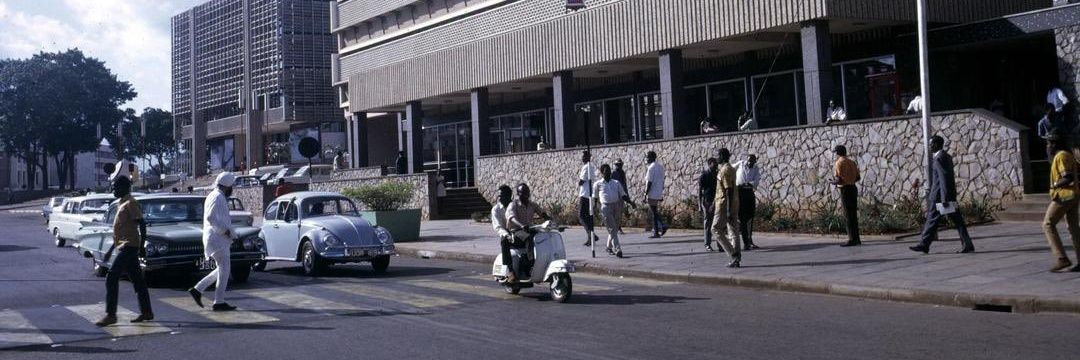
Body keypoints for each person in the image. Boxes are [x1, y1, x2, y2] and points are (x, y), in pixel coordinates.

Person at [94, 161, 153, 327]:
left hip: (130, 247)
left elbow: (141, 223)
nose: (113, 190)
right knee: (138, 281)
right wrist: (110, 250)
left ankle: (111, 315)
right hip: (124, 246)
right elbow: (121, 231)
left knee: (111, 277)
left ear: (125, 188)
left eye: (116, 188)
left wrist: (141, 247)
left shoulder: (130, 203)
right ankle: (147, 311)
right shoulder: (121, 203)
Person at [910, 135, 974, 254]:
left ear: (936, 144)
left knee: (933, 220)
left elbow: (943, 178)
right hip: (946, 195)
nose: (929, 146)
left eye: (931, 144)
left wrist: (944, 198)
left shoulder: (939, 158)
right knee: (954, 221)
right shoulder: (946, 156)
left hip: (940, 197)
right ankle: (966, 243)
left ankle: (924, 244)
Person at [189, 172, 238, 311]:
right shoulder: (218, 197)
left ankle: (198, 289)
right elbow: (211, 218)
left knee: (222, 269)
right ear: (227, 186)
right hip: (218, 239)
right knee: (224, 269)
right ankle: (219, 301)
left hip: (217, 239)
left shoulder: (215, 195)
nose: (232, 189)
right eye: (232, 186)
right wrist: (225, 231)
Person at [1041, 134, 1080, 272]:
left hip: (1064, 196)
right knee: (1074, 228)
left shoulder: (1061, 156)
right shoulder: (1067, 154)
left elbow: (1067, 177)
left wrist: (1056, 185)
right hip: (1073, 195)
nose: (1047, 146)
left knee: (1048, 223)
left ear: (1054, 144)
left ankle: (1061, 258)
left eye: (1048, 143)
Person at [506, 183, 552, 278]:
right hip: (517, 231)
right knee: (528, 238)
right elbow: (511, 217)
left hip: (529, 229)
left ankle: (545, 259)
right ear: (518, 194)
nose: (526, 195)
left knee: (544, 236)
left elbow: (541, 213)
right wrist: (521, 225)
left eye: (527, 192)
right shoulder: (513, 204)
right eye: (523, 193)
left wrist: (549, 219)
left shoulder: (532, 204)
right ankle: (531, 264)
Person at [593, 164, 637, 258]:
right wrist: (594, 208)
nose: (608, 173)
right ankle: (617, 249)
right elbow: (595, 198)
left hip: (616, 206)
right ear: (602, 173)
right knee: (612, 228)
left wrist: (630, 202)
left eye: (609, 171)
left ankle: (608, 247)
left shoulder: (616, 183)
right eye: (606, 171)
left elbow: (623, 195)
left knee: (615, 229)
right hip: (605, 208)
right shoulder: (598, 184)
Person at [712, 148, 742, 267]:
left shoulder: (724, 170)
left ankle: (732, 254)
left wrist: (728, 210)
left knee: (715, 229)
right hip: (734, 203)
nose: (716, 158)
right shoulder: (731, 168)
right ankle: (737, 258)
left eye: (718, 156)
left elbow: (728, 190)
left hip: (724, 205)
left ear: (722, 156)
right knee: (733, 230)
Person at [830, 145, 861, 247]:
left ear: (838, 153)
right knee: (853, 215)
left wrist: (832, 182)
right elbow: (858, 177)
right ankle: (857, 238)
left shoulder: (839, 162)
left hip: (845, 189)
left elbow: (839, 180)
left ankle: (851, 239)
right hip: (853, 188)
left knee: (847, 215)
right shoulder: (852, 162)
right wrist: (850, 179)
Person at [492, 185, 519, 282]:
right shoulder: (496, 209)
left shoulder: (515, 206)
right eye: (499, 196)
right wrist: (506, 234)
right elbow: (498, 227)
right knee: (504, 241)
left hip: (517, 232)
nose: (499, 198)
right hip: (506, 233)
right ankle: (510, 271)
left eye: (502, 196)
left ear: (509, 196)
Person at [735, 154, 761, 250]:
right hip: (739, 192)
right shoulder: (741, 164)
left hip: (749, 192)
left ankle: (749, 240)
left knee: (750, 216)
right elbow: (732, 170)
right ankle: (746, 242)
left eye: (752, 162)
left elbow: (757, 180)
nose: (750, 163)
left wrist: (749, 184)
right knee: (742, 218)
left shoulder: (755, 168)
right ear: (747, 160)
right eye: (749, 161)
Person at [577, 151, 599, 246]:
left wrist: (579, 183)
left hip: (585, 194)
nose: (582, 158)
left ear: (587, 157)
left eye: (583, 156)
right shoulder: (591, 167)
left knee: (581, 216)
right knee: (588, 217)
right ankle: (591, 237)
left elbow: (581, 181)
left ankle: (591, 235)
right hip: (589, 194)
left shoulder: (586, 167)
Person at [644, 151, 667, 238]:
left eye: (647, 157)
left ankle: (658, 231)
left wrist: (645, 194)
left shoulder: (651, 168)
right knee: (654, 211)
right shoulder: (660, 167)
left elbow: (649, 182)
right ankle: (659, 228)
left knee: (653, 212)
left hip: (652, 192)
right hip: (658, 192)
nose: (646, 159)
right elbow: (662, 180)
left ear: (651, 158)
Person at [699, 158, 719, 252]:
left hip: (717, 201)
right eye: (714, 163)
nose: (716, 165)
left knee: (718, 224)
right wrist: (700, 205)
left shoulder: (718, 174)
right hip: (707, 201)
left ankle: (720, 244)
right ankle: (707, 244)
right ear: (709, 164)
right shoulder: (704, 175)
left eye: (716, 163)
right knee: (708, 223)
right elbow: (700, 190)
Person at [612, 159, 629, 234]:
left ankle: (618, 226)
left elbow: (624, 184)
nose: (619, 166)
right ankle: (616, 227)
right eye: (618, 164)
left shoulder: (622, 172)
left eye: (620, 164)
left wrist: (626, 194)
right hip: (616, 194)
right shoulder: (614, 173)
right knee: (616, 211)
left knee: (620, 211)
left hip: (622, 194)